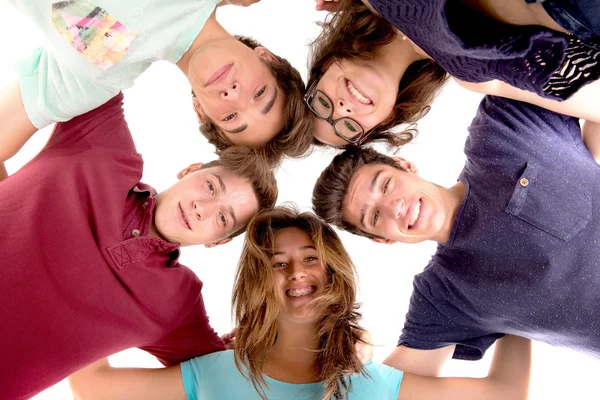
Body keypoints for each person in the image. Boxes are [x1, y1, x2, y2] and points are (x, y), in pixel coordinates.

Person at [67, 206, 532, 400]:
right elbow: (93, 383)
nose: (297, 274)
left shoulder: (366, 385)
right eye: (277, 262)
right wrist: (83, 268)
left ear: (331, 269)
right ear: (258, 279)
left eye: (310, 258)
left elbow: (506, 391)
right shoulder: (216, 373)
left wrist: (524, 296)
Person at [0, 92, 278, 400]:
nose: (204, 208)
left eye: (223, 218)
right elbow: (95, 63)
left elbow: (223, 379)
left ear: (219, 241)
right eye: (211, 186)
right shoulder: (105, 149)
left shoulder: (178, 305)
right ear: (190, 170)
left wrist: (238, 354)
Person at [312, 95, 600, 377]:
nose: (393, 206)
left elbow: (587, 84)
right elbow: (394, 389)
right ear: (383, 239)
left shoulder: (500, 127)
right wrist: (360, 359)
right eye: (374, 217)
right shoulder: (444, 297)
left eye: (386, 185)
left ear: (405, 165)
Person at [0, 0, 312, 174]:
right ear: (267, 58)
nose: (233, 96)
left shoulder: (108, 67)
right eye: (260, 94)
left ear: (201, 113)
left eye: (231, 118)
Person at [307, 0, 599, 148]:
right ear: (385, 119)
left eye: (322, 104)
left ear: (326, 64)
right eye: (347, 128)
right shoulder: (472, 77)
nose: (342, 110)